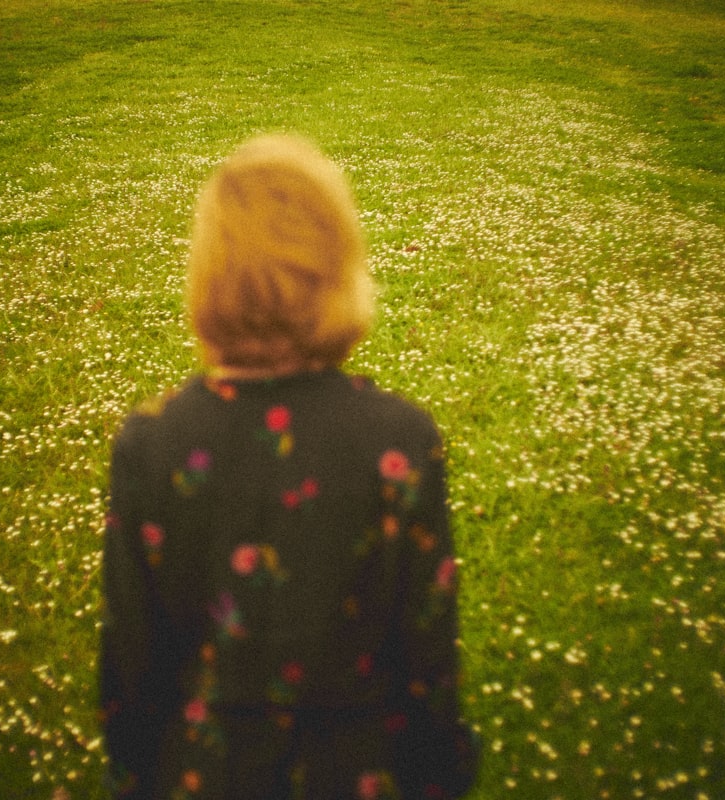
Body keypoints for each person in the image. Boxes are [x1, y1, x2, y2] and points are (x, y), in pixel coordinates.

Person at [99, 134, 480, 799]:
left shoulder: (152, 445)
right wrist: (438, 773)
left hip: (203, 776)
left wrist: (135, 771)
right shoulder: (398, 443)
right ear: (337, 270)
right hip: (358, 774)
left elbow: (134, 662)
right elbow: (426, 661)